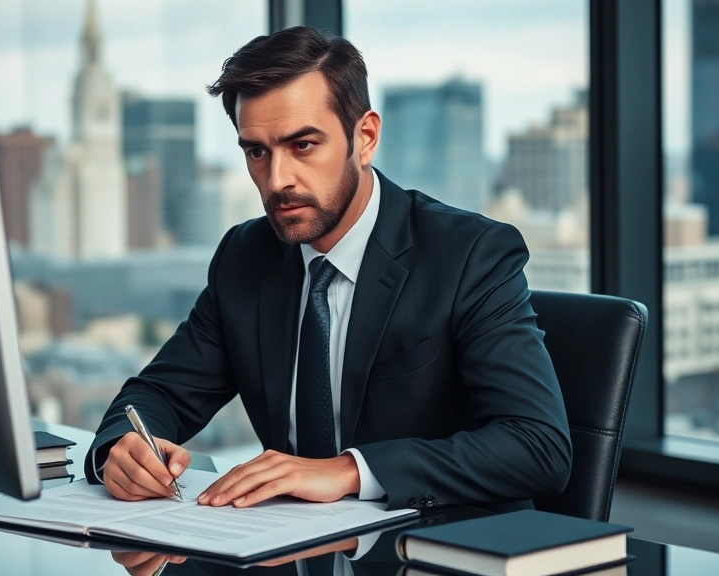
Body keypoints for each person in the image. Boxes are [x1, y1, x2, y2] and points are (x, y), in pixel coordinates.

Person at [84, 25, 571, 514]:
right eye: (257, 151)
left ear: (365, 138)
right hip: (284, 550)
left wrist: (349, 470)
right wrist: (122, 449)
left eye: (303, 145)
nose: (277, 180)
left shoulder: (470, 254)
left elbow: (538, 446)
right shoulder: (245, 255)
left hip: (430, 550)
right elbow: (159, 393)